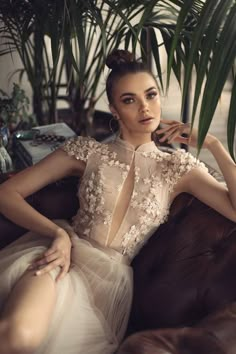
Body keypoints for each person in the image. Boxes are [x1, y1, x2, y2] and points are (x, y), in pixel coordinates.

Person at [0, 49, 235, 354]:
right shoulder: (87, 152)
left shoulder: (179, 168)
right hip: (62, 256)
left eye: (151, 95)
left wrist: (213, 144)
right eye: (129, 100)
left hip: (107, 289)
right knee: (19, 335)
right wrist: (57, 234)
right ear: (113, 110)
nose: (144, 107)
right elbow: (7, 193)